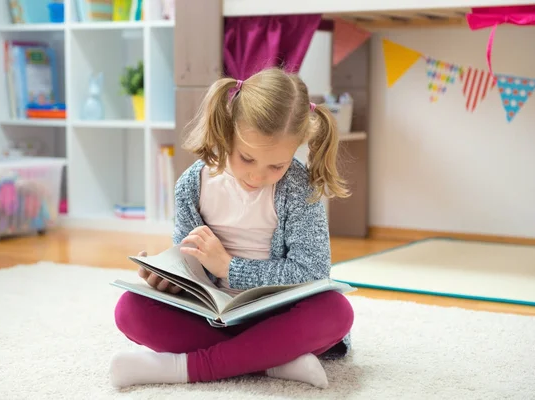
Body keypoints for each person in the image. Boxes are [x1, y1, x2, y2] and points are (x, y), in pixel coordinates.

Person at [110, 67, 354, 389]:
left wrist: (230, 267)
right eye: (247, 158)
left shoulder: (298, 188)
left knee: (335, 311)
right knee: (130, 309)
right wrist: (167, 279)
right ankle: (272, 361)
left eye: (276, 166)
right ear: (228, 132)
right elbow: (191, 267)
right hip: (213, 319)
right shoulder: (192, 186)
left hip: (277, 318)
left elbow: (312, 272)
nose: (257, 176)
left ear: (296, 148)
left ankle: (184, 368)